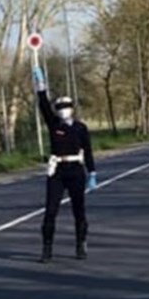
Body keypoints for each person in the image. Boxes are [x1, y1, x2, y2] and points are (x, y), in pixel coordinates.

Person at [32, 66, 97, 262]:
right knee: (51, 210)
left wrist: (92, 172)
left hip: (76, 170)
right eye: (59, 108)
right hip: (57, 171)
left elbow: (88, 150)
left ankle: (81, 245)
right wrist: (41, 88)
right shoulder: (55, 125)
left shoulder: (80, 128)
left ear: (72, 108)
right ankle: (47, 248)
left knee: (79, 209)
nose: (63, 110)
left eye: (66, 106)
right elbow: (43, 106)